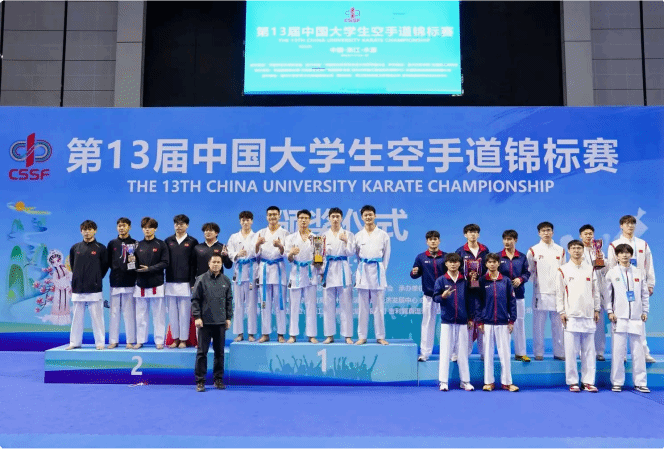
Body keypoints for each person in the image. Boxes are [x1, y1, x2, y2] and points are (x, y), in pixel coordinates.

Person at [607, 215, 656, 363]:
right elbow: (611, 267)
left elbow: (649, 264)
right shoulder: (614, 245)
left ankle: (644, 352)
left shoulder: (642, 244)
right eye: (627, 223)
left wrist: (650, 283)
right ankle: (620, 354)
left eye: (632, 223)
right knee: (618, 322)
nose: (630, 226)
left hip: (638, 284)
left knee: (639, 319)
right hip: (620, 286)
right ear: (621, 226)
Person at [604, 243, 650, 393]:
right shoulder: (612, 273)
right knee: (618, 352)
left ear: (631, 255)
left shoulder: (638, 272)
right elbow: (607, 295)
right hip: (619, 318)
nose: (624, 255)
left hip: (636, 318)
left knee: (638, 352)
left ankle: (641, 382)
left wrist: (645, 310)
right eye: (621, 253)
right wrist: (610, 311)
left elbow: (644, 293)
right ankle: (617, 382)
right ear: (616, 256)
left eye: (627, 253)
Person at [556, 240, 600, 393]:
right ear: (569, 251)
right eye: (573, 248)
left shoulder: (590, 269)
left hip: (588, 316)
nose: (576, 250)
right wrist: (561, 311)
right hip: (571, 316)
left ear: (583, 250)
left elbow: (596, 291)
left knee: (589, 352)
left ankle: (588, 381)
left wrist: (597, 309)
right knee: (571, 352)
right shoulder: (563, 270)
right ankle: (573, 381)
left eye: (579, 248)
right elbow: (559, 293)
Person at [477, 253, 519, 392]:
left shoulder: (506, 281)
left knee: (505, 355)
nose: (492, 264)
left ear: (498, 263)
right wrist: (479, 321)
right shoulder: (482, 281)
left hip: (503, 322)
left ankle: (507, 383)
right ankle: (489, 382)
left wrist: (512, 320)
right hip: (487, 323)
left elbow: (512, 302)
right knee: (487, 355)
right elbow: (478, 302)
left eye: (494, 262)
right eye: (489, 262)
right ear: (486, 264)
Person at [432, 253, 474, 391]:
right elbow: (435, 298)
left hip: (462, 321)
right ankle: (443, 382)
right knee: (445, 351)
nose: (453, 264)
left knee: (463, 352)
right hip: (447, 321)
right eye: (450, 262)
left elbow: (470, 301)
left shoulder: (465, 281)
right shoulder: (441, 280)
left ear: (460, 264)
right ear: (446, 264)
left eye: (456, 262)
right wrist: (442, 296)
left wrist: (470, 318)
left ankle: (465, 381)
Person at [191, 254, 233, 392]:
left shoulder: (226, 280)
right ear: (209, 264)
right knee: (202, 353)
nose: (216, 264)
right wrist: (197, 317)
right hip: (204, 323)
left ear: (221, 264)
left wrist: (228, 318)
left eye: (218, 262)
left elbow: (229, 301)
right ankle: (200, 381)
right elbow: (195, 300)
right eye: (213, 262)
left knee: (219, 353)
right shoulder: (201, 279)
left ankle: (218, 379)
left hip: (220, 323)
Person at [67, 220, 109, 350]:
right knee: (77, 318)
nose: (87, 232)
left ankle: (100, 343)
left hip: (94, 288)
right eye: (84, 230)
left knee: (97, 318)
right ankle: (74, 342)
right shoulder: (75, 248)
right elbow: (73, 265)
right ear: (81, 231)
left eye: (90, 229)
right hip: (78, 288)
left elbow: (104, 267)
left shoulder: (101, 248)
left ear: (95, 231)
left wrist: (96, 278)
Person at [527, 221, 566, 361]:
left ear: (553, 232)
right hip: (540, 293)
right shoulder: (533, 250)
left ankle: (560, 352)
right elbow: (530, 271)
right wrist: (539, 283)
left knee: (558, 325)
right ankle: (538, 353)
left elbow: (563, 271)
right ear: (539, 233)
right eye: (543, 231)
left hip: (557, 293)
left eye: (548, 230)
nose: (546, 233)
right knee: (538, 325)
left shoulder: (560, 250)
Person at [355, 205, 390, 345]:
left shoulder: (383, 235)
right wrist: (362, 268)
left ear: (375, 216)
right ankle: (362, 336)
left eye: (370, 214)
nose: (368, 217)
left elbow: (386, 256)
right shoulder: (358, 235)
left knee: (379, 308)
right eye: (366, 215)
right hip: (363, 271)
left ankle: (380, 336)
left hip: (378, 271)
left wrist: (382, 270)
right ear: (362, 217)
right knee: (362, 308)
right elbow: (357, 256)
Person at [134, 217, 169, 350]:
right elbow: (133, 264)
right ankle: (140, 340)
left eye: (150, 227)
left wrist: (149, 269)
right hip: (141, 284)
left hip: (156, 283)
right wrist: (131, 263)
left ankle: (159, 341)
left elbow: (165, 262)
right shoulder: (137, 245)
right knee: (140, 316)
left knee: (158, 315)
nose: (147, 230)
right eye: (144, 227)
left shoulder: (161, 244)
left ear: (155, 229)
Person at [285, 209, 321, 343]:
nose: (303, 220)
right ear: (297, 220)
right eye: (301, 218)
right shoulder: (290, 238)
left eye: (306, 218)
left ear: (310, 220)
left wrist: (317, 262)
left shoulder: (316, 238)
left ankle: (311, 335)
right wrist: (291, 253)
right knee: (294, 306)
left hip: (310, 273)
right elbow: (288, 259)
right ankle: (293, 335)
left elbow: (318, 260)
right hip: (296, 273)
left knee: (311, 305)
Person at [321, 207, 355, 344]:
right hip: (328, 270)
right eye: (333, 216)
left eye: (337, 217)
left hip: (343, 269)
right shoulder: (323, 236)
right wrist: (320, 272)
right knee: (328, 305)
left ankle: (347, 335)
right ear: (329, 218)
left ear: (341, 218)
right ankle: (329, 335)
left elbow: (351, 252)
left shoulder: (348, 234)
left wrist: (346, 241)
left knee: (346, 305)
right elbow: (319, 256)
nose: (335, 219)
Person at [410, 230, 446, 361]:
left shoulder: (446, 257)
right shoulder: (421, 257)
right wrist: (414, 272)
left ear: (439, 241)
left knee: (448, 325)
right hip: (429, 296)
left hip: (444, 296)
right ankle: (425, 353)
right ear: (427, 242)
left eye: (435, 239)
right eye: (431, 239)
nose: (433, 241)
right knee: (427, 324)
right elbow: (414, 274)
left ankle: (451, 353)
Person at [255, 206, 289, 343]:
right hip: (264, 270)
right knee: (264, 304)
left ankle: (281, 334)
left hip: (278, 269)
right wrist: (257, 244)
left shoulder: (285, 233)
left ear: (279, 216)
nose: (272, 217)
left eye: (275, 214)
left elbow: (288, 253)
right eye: (270, 214)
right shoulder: (261, 232)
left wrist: (280, 246)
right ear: (266, 217)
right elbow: (255, 253)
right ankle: (265, 333)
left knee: (280, 304)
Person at [164, 214, 199, 349]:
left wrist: (192, 282)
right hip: (170, 281)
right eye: (176, 224)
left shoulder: (192, 241)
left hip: (185, 282)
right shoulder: (168, 241)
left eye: (182, 224)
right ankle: (175, 339)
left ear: (187, 225)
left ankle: (184, 340)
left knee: (184, 313)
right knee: (172, 313)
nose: (179, 226)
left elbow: (194, 264)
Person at [455, 224, 490, 358]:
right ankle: (463, 353)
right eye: (470, 232)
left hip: (482, 290)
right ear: (465, 235)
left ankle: (484, 353)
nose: (473, 234)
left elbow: (489, 267)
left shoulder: (484, 250)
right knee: (466, 321)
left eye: (475, 232)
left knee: (482, 320)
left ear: (478, 234)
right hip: (466, 290)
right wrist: (466, 279)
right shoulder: (460, 251)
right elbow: (455, 269)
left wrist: (480, 279)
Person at [498, 230, 530, 362]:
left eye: (510, 239)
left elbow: (527, 273)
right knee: (503, 324)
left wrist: (520, 279)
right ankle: (504, 353)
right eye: (505, 239)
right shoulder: (498, 257)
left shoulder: (522, 257)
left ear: (515, 240)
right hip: (502, 296)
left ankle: (520, 353)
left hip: (518, 295)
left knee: (519, 323)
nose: (507, 242)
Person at [227, 211, 259, 342]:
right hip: (239, 274)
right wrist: (237, 254)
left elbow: (261, 253)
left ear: (252, 221)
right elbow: (229, 252)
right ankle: (239, 333)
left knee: (252, 305)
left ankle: (251, 333)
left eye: (248, 220)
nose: (245, 222)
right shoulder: (234, 237)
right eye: (243, 220)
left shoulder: (257, 236)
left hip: (252, 273)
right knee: (238, 305)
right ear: (240, 221)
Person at [106, 217, 137, 349]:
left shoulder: (135, 244)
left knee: (129, 313)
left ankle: (130, 341)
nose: (121, 228)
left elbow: (138, 262)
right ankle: (113, 341)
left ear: (129, 227)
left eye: (124, 225)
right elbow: (107, 262)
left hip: (130, 281)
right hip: (115, 281)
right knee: (114, 313)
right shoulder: (112, 243)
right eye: (119, 226)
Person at [579, 224, 608, 361]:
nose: (588, 236)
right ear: (581, 236)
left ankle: (599, 351)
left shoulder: (598, 250)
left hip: (599, 289)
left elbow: (604, 270)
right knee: (584, 322)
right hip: (584, 289)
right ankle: (583, 351)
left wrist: (602, 260)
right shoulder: (578, 250)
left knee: (599, 323)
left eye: (590, 233)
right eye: (586, 234)